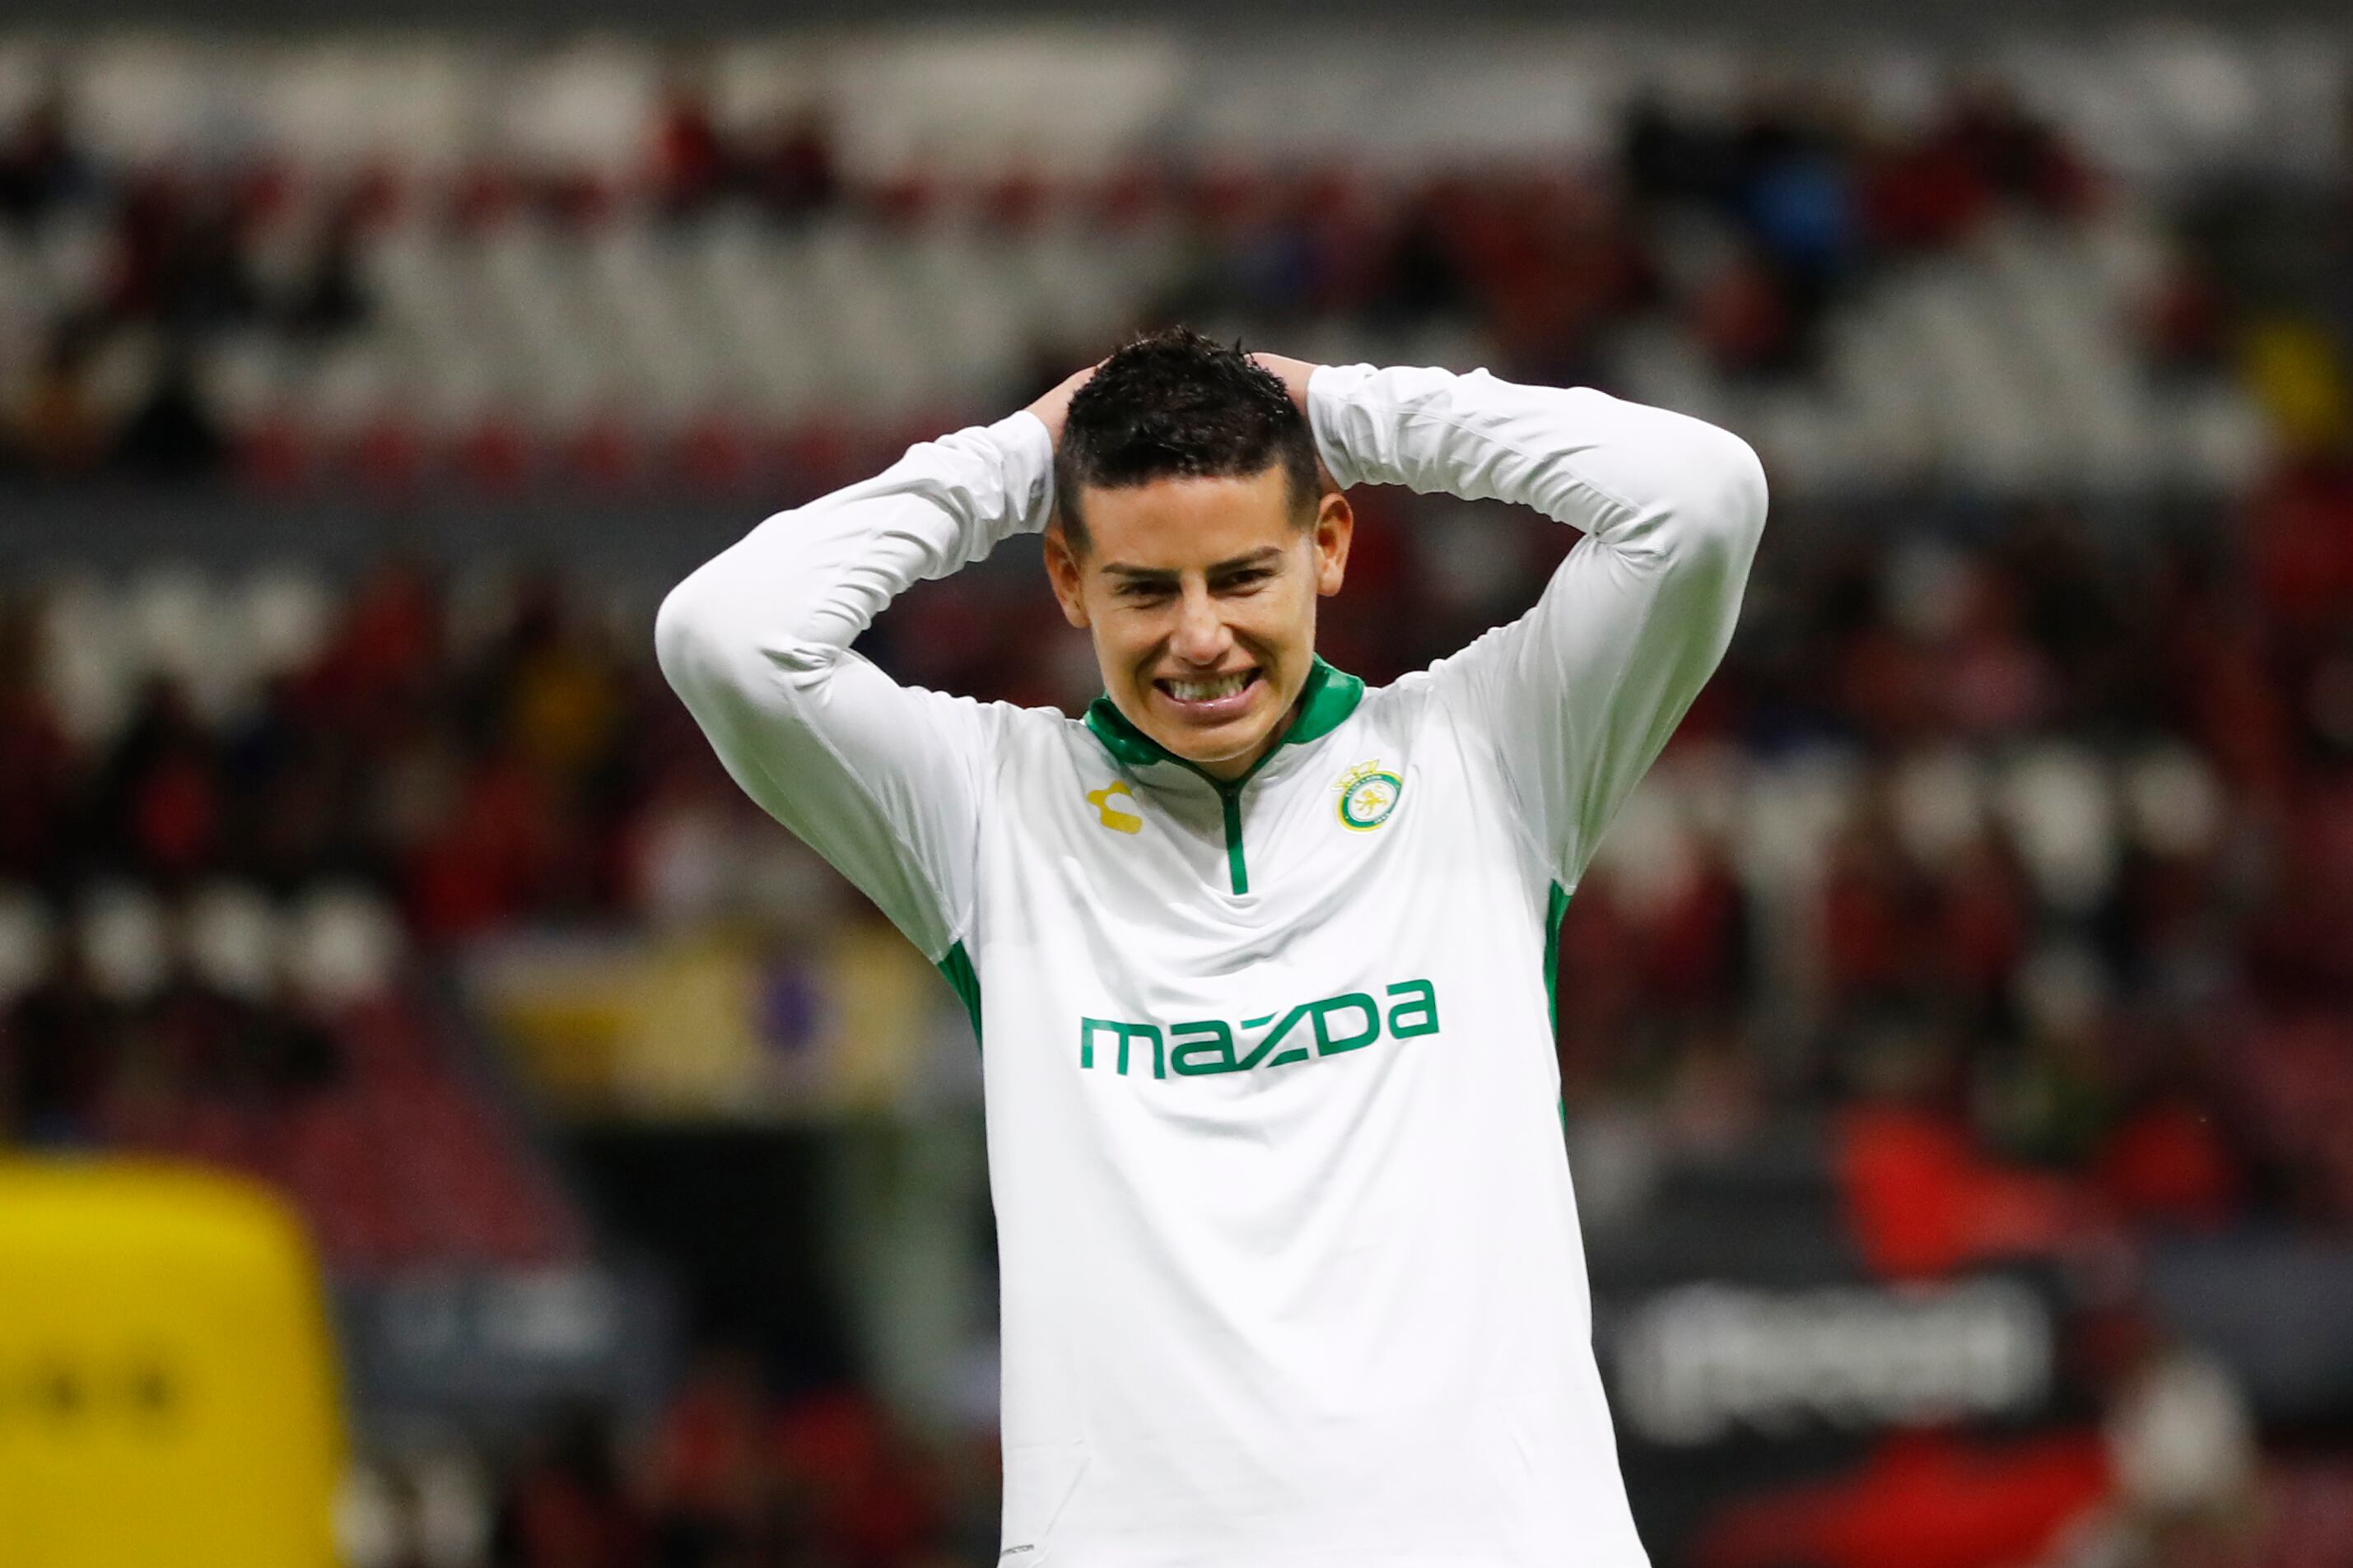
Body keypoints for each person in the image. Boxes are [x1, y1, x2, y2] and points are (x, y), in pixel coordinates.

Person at [656, 325, 1768, 1566]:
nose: (1199, 637)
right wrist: (1023, 455)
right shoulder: (986, 815)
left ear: (1327, 546)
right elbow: (724, 634)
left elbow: (1702, 497)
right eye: (1145, 587)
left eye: (1242, 575)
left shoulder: (1489, 754)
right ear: (1068, 582)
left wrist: (1336, 406)